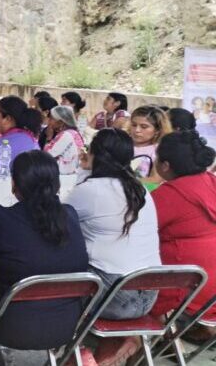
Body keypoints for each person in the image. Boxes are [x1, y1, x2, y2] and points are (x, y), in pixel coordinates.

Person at [0, 151, 88, 350]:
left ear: (15, 184)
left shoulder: (0, 219)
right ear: (57, 184)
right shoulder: (69, 215)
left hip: (8, 326)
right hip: (66, 327)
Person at [65, 129, 160, 365]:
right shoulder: (141, 191)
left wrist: (84, 169)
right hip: (149, 294)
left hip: (112, 297)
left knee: (60, 269)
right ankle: (118, 341)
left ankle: (78, 353)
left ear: (95, 155)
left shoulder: (91, 190)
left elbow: (60, 218)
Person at [151, 131, 216, 327]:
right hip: (209, 293)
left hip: (182, 294)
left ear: (165, 165)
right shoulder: (211, 181)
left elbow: (137, 232)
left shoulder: (170, 194)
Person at [130, 105, 172, 180]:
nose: (137, 130)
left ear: (157, 130)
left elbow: (155, 179)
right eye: (134, 125)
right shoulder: (121, 143)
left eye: (144, 127)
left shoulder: (159, 151)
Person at [44, 106, 85, 174]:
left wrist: (49, 138)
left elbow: (47, 155)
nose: (49, 121)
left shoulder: (66, 135)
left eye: (51, 118)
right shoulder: (74, 133)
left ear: (60, 122)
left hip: (66, 176)